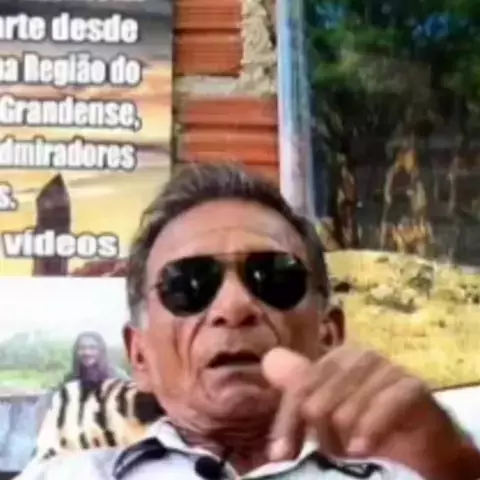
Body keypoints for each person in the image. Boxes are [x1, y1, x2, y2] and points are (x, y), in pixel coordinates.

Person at [17, 163, 480, 479]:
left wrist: (455, 469)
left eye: (273, 277)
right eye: (188, 284)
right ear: (140, 356)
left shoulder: (420, 464)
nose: (234, 306)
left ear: (330, 333)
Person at [63, 332, 129, 388]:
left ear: (101, 350)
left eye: (92, 347)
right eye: (82, 348)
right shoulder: (70, 379)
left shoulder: (118, 377)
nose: (87, 352)